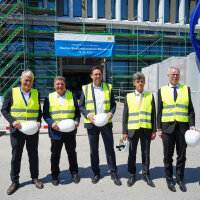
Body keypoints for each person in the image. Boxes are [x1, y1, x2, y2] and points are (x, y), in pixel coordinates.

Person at [1, 70, 43, 195]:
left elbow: (38, 111)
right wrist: (13, 121)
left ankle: (35, 178)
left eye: (30, 80)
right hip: (17, 130)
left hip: (32, 131)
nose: (28, 82)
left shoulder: (36, 93)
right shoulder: (12, 92)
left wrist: (39, 121)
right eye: (26, 80)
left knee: (33, 155)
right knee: (16, 156)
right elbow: (4, 110)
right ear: (21, 80)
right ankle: (15, 181)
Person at [79, 66, 121, 186]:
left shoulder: (108, 87)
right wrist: (88, 115)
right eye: (95, 74)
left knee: (110, 149)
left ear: (102, 75)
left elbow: (113, 104)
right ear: (91, 76)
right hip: (92, 124)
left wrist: (111, 113)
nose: (98, 76)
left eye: (99, 74)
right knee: (94, 150)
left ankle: (113, 172)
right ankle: (96, 173)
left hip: (106, 123)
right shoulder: (85, 88)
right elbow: (81, 106)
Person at [157, 66, 195, 192]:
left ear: (179, 76)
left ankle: (180, 179)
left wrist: (192, 124)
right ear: (168, 76)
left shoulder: (186, 89)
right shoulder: (161, 90)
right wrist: (159, 128)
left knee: (182, 155)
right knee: (167, 156)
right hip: (167, 128)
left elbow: (190, 110)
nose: (175, 76)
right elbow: (160, 111)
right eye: (173, 74)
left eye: (177, 74)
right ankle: (169, 179)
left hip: (183, 129)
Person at [43, 76, 80, 186]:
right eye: (58, 84)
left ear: (65, 85)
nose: (60, 86)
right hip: (56, 132)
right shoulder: (49, 97)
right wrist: (52, 123)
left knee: (72, 153)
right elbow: (45, 114)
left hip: (70, 131)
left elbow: (77, 112)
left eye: (62, 84)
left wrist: (77, 121)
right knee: (55, 155)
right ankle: (54, 175)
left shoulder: (71, 95)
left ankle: (74, 172)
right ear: (54, 85)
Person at [122, 72, 156, 188]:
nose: (140, 83)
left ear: (144, 82)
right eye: (138, 81)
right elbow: (125, 116)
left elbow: (153, 115)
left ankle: (146, 174)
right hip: (132, 130)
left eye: (142, 81)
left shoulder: (150, 96)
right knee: (132, 153)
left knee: (146, 153)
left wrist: (154, 130)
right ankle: (132, 174)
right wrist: (124, 132)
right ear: (134, 83)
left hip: (146, 129)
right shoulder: (128, 97)